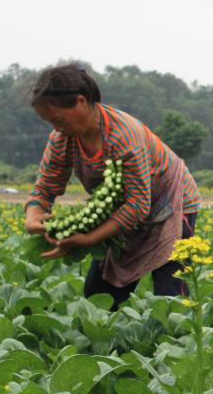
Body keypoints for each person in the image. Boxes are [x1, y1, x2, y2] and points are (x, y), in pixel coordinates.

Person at [23, 61, 202, 308]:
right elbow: (45, 188)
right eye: (50, 122)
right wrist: (33, 216)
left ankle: (177, 343)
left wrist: (88, 239)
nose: (56, 128)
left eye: (59, 119)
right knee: (100, 292)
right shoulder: (63, 138)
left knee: (170, 292)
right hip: (121, 208)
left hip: (170, 203)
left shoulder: (122, 136)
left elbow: (138, 204)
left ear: (81, 101)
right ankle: (110, 343)